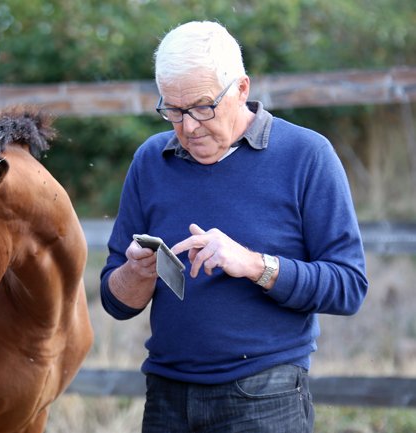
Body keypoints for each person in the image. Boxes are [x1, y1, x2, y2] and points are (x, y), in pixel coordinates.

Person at [100, 20, 368, 433]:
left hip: (266, 396)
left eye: (202, 107)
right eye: (174, 111)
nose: (189, 126)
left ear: (241, 89)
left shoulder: (307, 155)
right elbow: (116, 303)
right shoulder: (150, 161)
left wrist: (254, 264)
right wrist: (135, 273)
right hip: (166, 396)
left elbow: (349, 286)